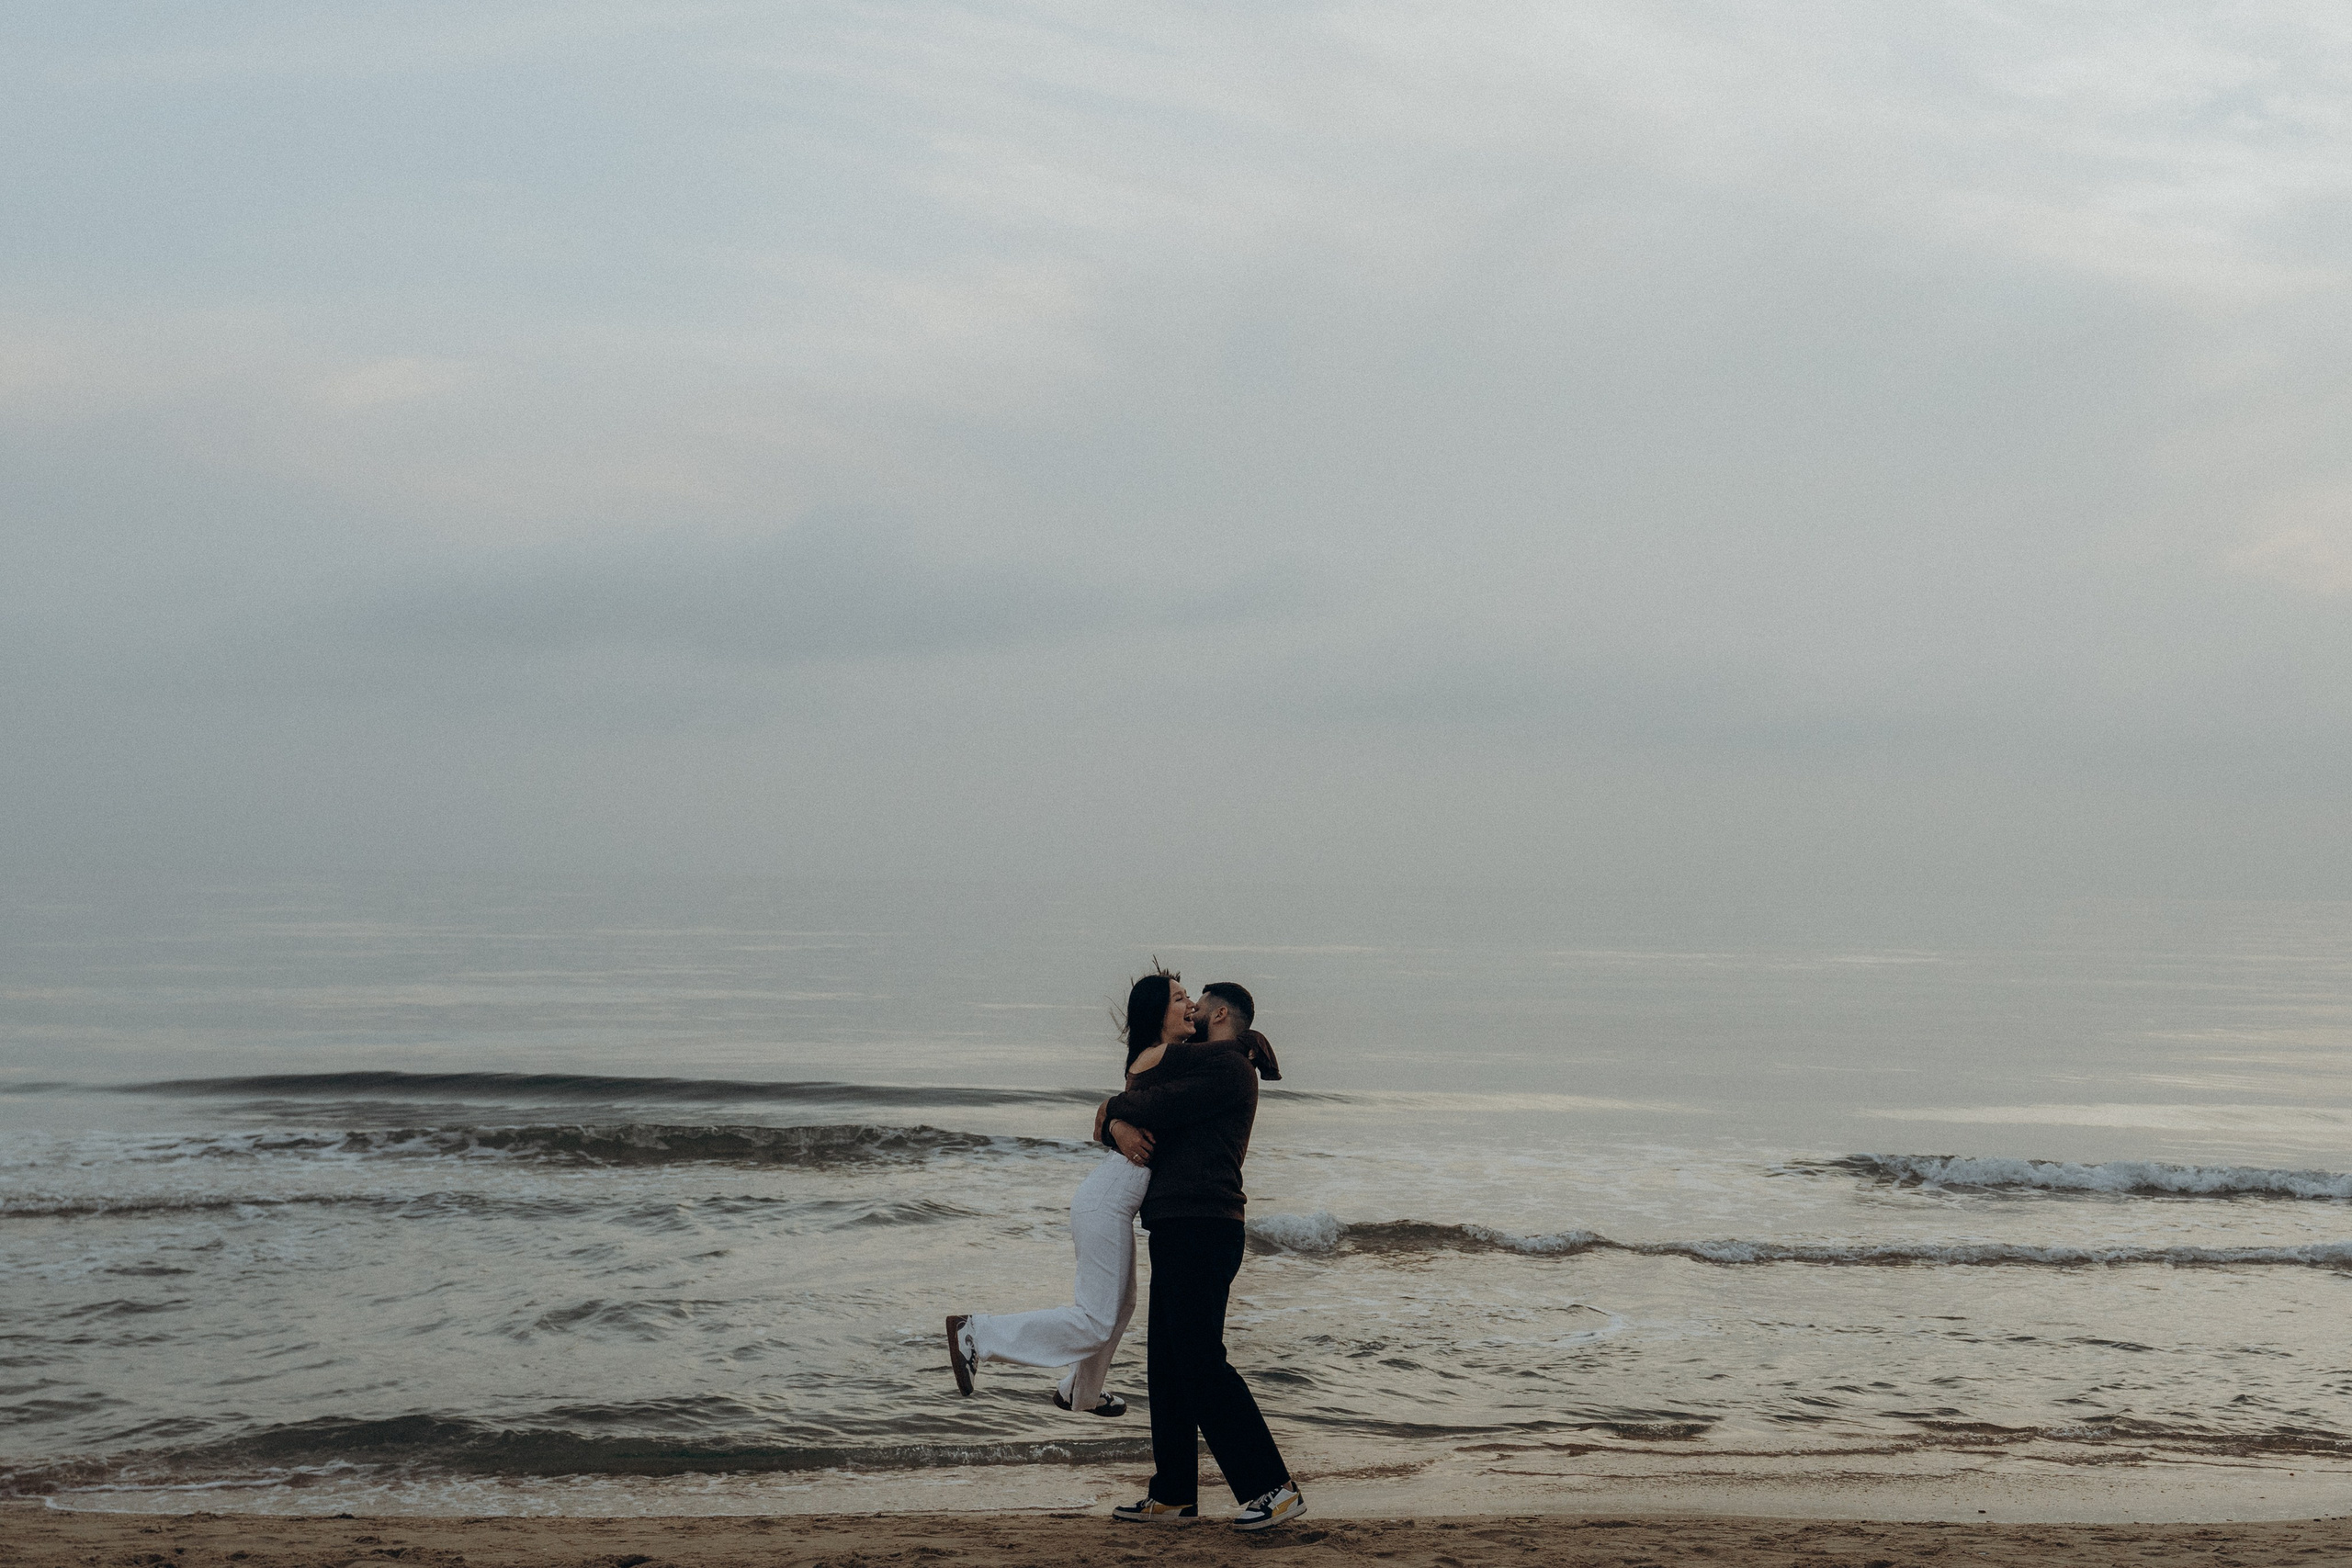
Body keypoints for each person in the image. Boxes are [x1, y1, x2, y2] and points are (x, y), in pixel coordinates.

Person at [942, 967, 1196, 1418]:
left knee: (1119, 1309)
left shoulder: (1161, 1059)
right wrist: (1246, 1039)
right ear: (1157, 1013)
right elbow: (1104, 1114)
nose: (1190, 1005)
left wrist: (1114, 1124)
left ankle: (1079, 1393)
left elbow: (1106, 1116)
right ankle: (978, 1334)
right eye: (1179, 999)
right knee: (1096, 1318)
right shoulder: (1161, 1057)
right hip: (1106, 1202)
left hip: (1108, 1201)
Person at [1099, 980, 1305, 1532]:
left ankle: (1272, 1488)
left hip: (1204, 1224)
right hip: (1177, 1223)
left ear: (1217, 1015)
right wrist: (1115, 1123)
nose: (1188, 1008)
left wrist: (1112, 1113)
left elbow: (1154, 1103)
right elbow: (1142, 1096)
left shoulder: (1228, 1068)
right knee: (1166, 1364)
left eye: (1196, 1003)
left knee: (1199, 1360)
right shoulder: (1205, 1062)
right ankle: (1173, 1496)